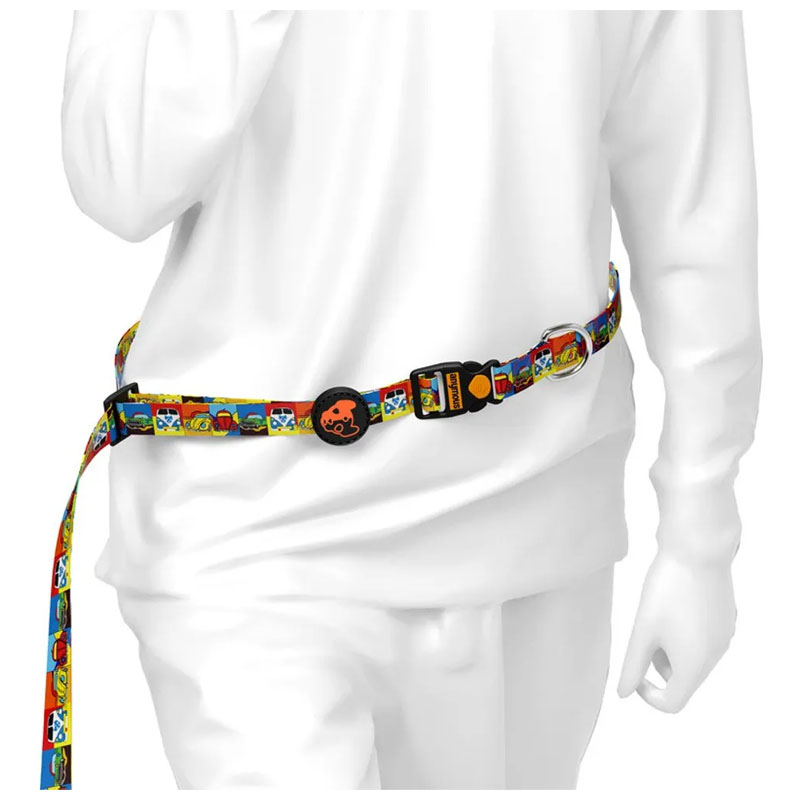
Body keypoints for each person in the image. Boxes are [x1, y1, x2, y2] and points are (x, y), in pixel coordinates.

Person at [60, 10, 761, 789]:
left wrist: (702, 531)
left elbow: (693, 205)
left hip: (537, 537)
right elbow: (116, 174)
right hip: (250, 535)